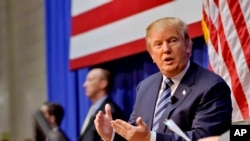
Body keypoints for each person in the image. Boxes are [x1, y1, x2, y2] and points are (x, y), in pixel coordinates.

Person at [94, 17, 232, 141]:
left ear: (188, 46)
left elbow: (205, 138)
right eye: (158, 44)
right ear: (152, 55)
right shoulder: (145, 87)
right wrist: (111, 135)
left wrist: (151, 138)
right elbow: (135, 135)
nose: (166, 49)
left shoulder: (212, 87)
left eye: (173, 40)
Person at [78, 68, 126, 141]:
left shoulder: (111, 112)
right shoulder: (93, 110)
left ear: (103, 84)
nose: (84, 85)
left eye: (90, 80)